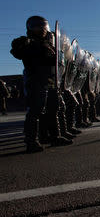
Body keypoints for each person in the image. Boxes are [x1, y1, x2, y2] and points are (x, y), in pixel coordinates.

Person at [10, 16, 72, 152]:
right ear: (32, 28)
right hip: (35, 81)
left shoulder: (50, 44)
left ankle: (55, 136)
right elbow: (16, 51)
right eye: (39, 26)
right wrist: (25, 43)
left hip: (51, 81)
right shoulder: (26, 42)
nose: (42, 29)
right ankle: (32, 141)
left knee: (53, 109)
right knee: (35, 111)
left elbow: (58, 62)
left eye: (44, 27)